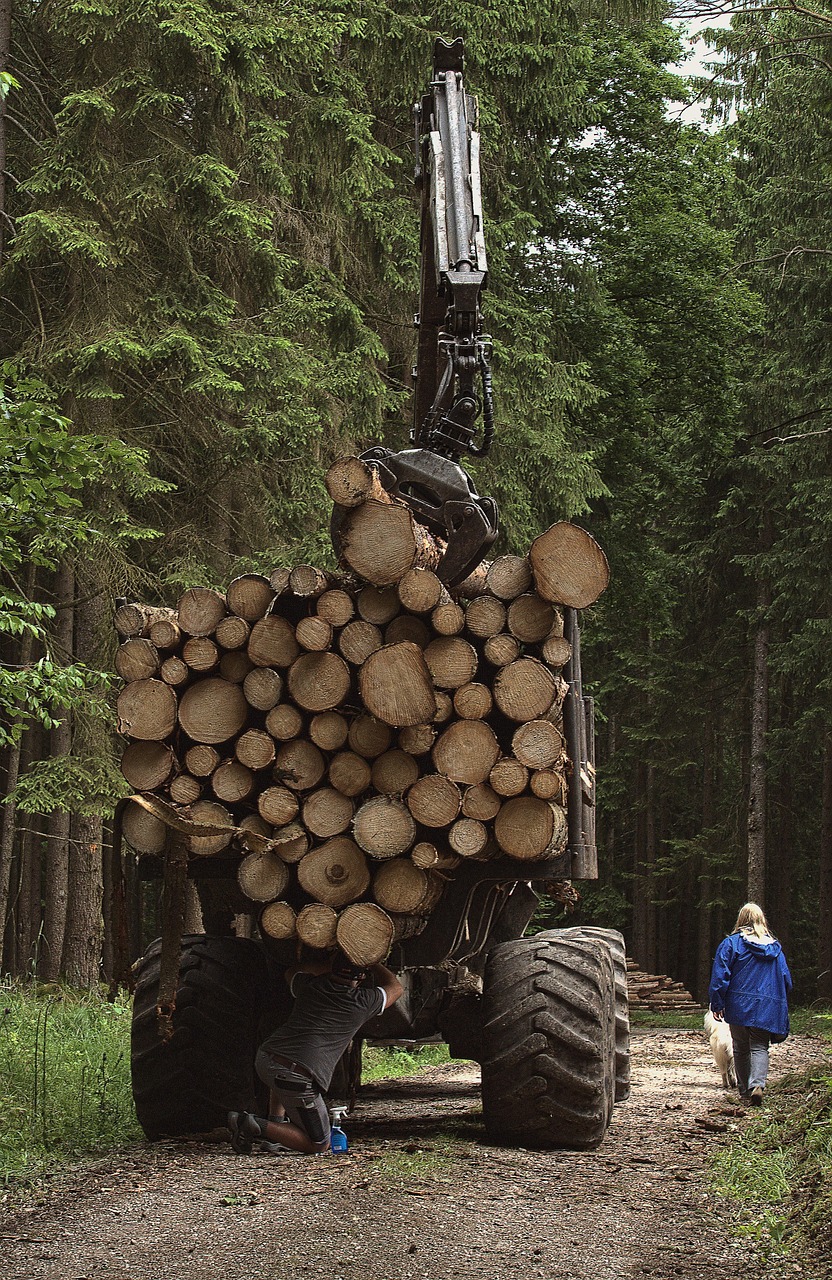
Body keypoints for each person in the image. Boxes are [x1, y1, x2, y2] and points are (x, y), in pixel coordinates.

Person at [227, 950, 403, 1154]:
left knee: (281, 1074)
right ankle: (250, 1123)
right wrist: (373, 962)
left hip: (267, 1059)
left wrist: (328, 966)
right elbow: (396, 988)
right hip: (295, 1076)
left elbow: (293, 972)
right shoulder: (362, 1002)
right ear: (362, 976)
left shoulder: (310, 987)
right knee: (319, 1143)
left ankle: (276, 1124)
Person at [708, 901, 792, 1106]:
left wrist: (717, 1003)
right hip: (766, 1006)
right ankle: (758, 1085)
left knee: (740, 1047)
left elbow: (720, 976)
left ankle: (745, 1092)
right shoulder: (775, 948)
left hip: (738, 1004)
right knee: (760, 1046)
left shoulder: (732, 944)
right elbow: (786, 979)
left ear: (741, 920)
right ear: (762, 920)